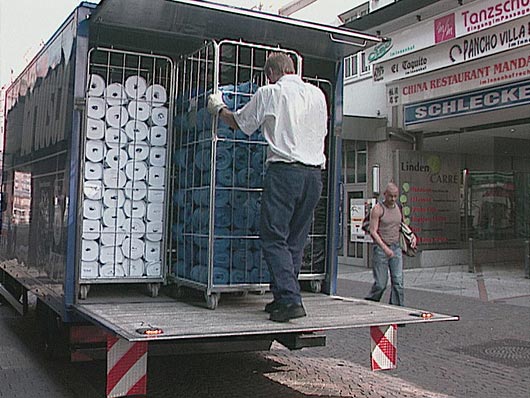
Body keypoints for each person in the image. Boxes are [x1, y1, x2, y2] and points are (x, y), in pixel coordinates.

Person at [207, 52, 328, 322]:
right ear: (293, 69)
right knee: (295, 240)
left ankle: (290, 298)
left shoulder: (269, 92)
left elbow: (241, 124)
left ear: (270, 74)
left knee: (273, 237)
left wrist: (219, 108)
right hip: (314, 176)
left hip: (285, 173)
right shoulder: (318, 95)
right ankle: (282, 296)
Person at [365, 182, 412, 306]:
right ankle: (370, 302)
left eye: (395, 196)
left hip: (396, 247)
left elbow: (401, 225)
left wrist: (411, 236)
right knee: (381, 284)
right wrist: (384, 248)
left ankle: (397, 310)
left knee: (398, 282)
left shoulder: (398, 207)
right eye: (391, 196)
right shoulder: (378, 209)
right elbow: (373, 231)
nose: (393, 199)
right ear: (385, 194)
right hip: (381, 249)